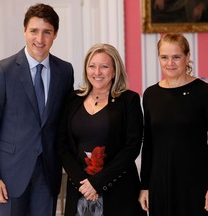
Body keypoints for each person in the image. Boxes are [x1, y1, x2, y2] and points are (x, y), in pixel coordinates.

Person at [0, 3, 74, 216]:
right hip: (9, 174)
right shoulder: (3, 71)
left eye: (47, 32)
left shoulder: (65, 71)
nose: (39, 39)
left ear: (55, 35)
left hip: (48, 172)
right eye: (34, 31)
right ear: (24, 31)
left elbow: (65, 122)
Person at [139, 33, 208, 216]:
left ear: (187, 57)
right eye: (164, 57)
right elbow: (148, 144)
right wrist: (145, 186)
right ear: (159, 58)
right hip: (161, 183)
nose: (170, 63)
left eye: (176, 57)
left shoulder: (205, 93)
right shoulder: (150, 95)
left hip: (197, 184)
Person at [56, 43, 146, 216]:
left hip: (119, 188)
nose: (97, 72)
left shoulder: (129, 100)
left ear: (114, 70)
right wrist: (84, 184)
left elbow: (132, 147)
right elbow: (62, 145)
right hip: (80, 188)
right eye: (92, 66)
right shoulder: (73, 99)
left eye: (104, 67)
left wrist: (97, 183)